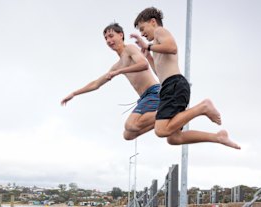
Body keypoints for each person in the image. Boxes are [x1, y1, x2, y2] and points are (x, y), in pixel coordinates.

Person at [131, 7, 240, 149]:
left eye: (142, 28)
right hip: (169, 86)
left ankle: (203, 107)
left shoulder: (160, 31)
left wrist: (149, 47)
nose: (142, 33)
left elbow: (172, 47)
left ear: (153, 22)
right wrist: (149, 57)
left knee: (161, 130)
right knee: (174, 138)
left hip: (174, 85)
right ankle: (217, 137)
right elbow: (159, 73)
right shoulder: (157, 46)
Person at [61, 23, 160, 141]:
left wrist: (119, 71)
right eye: (106, 38)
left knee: (130, 125)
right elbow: (96, 84)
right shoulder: (117, 65)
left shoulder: (130, 49)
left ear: (121, 35)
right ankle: (164, 118)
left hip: (154, 91)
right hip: (144, 97)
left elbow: (144, 65)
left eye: (111, 36)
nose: (108, 40)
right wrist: (74, 93)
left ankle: (170, 111)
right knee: (128, 135)